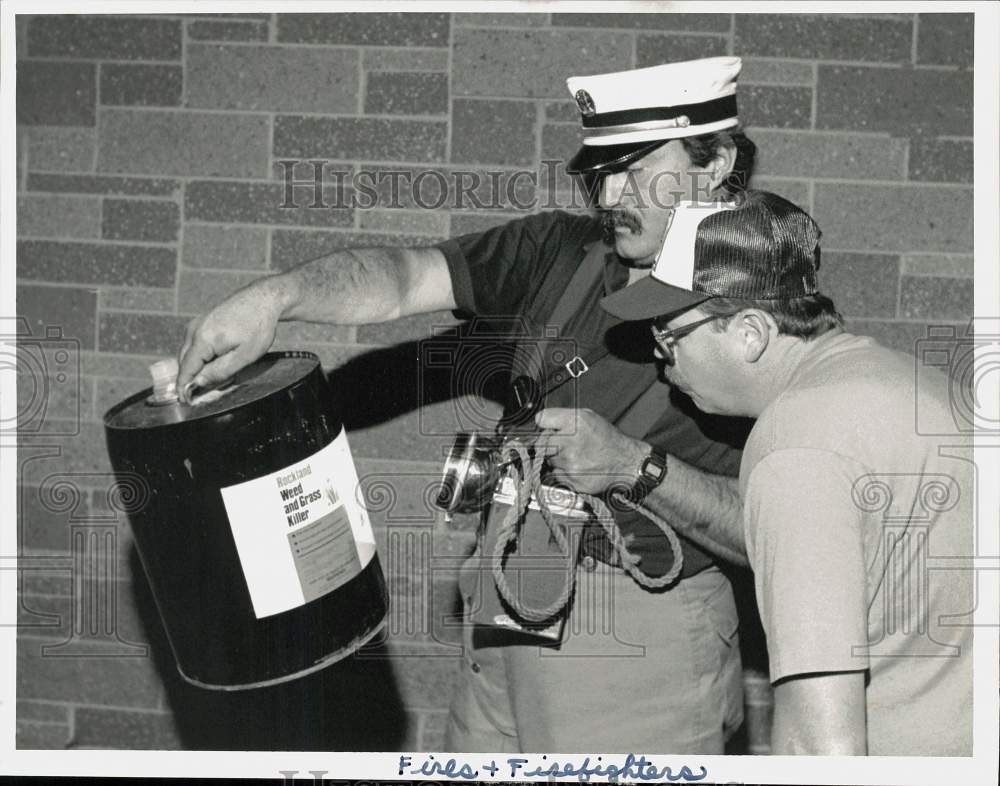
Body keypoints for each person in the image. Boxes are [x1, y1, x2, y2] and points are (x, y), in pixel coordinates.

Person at [177, 56, 758, 753]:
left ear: (717, 160)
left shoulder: (765, 307)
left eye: (636, 167)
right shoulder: (560, 250)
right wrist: (277, 298)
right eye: (600, 169)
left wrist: (634, 465)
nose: (610, 193)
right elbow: (400, 279)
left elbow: (775, 537)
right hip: (514, 594)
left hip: (640, 632)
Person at [598, 190, 974, 756]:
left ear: (749, 332)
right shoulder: (913, 383)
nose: (661, 361)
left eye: (669, 337)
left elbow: (819, 738)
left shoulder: (794, 447)